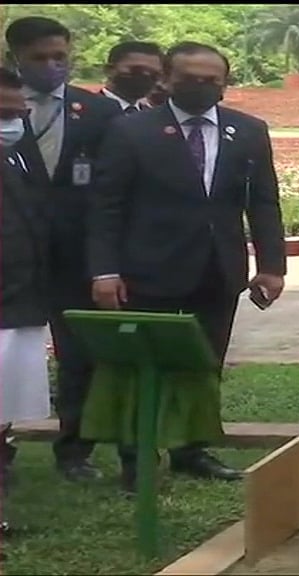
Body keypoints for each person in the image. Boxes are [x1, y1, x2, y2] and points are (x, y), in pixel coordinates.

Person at [88, 41, 287, 492]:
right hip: (146, 270)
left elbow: (264, 202)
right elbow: (106, 207)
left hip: (217, 270)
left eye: (211, 80)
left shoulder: (249, 130)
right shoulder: (131, 131)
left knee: (203, 365)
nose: (201, 87)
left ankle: (191, 450)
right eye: (190, 79)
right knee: (142, 367)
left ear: (225, 83)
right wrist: (104, 271)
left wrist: (272, 267)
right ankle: (136, 459)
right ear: (167, 79)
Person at [4, 16, 121, 483]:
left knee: (78, 357)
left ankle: (74, 451)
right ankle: (4, 451)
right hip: (14, 258)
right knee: (7, 353)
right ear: (15, 58)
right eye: (39, 58)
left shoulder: (97, 113)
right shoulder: (6, 108)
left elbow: (109, 193)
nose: (52, 66)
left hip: (76, 256)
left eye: (60, 57)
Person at [0, 68, 52, 540]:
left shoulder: (16, 155)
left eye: (19, 112)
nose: (14, 120)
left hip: (20, 303)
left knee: (4, 410)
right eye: (3, 113)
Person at [100, 40, 163, 114]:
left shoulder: (153, 116)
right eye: (137, 70)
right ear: (109, 70)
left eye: (154, 73)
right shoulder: (88, 111)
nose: (146, 76)